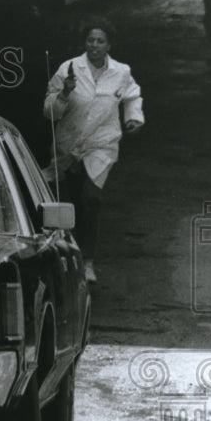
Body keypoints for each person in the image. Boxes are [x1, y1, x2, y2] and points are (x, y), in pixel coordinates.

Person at [42, 18, 144, 284]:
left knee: (91, 198)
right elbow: (49, 112)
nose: (94, 45)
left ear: (109, 45)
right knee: (70, 202)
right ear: (84, 43)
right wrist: (64, 93)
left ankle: (88, 261)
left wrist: (133, 118)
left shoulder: (121, 72)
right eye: (90, 40)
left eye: (100, 41)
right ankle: (67, 257)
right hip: (69, 144)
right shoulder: (69, 68)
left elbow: (132, 96)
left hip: (102, 143)